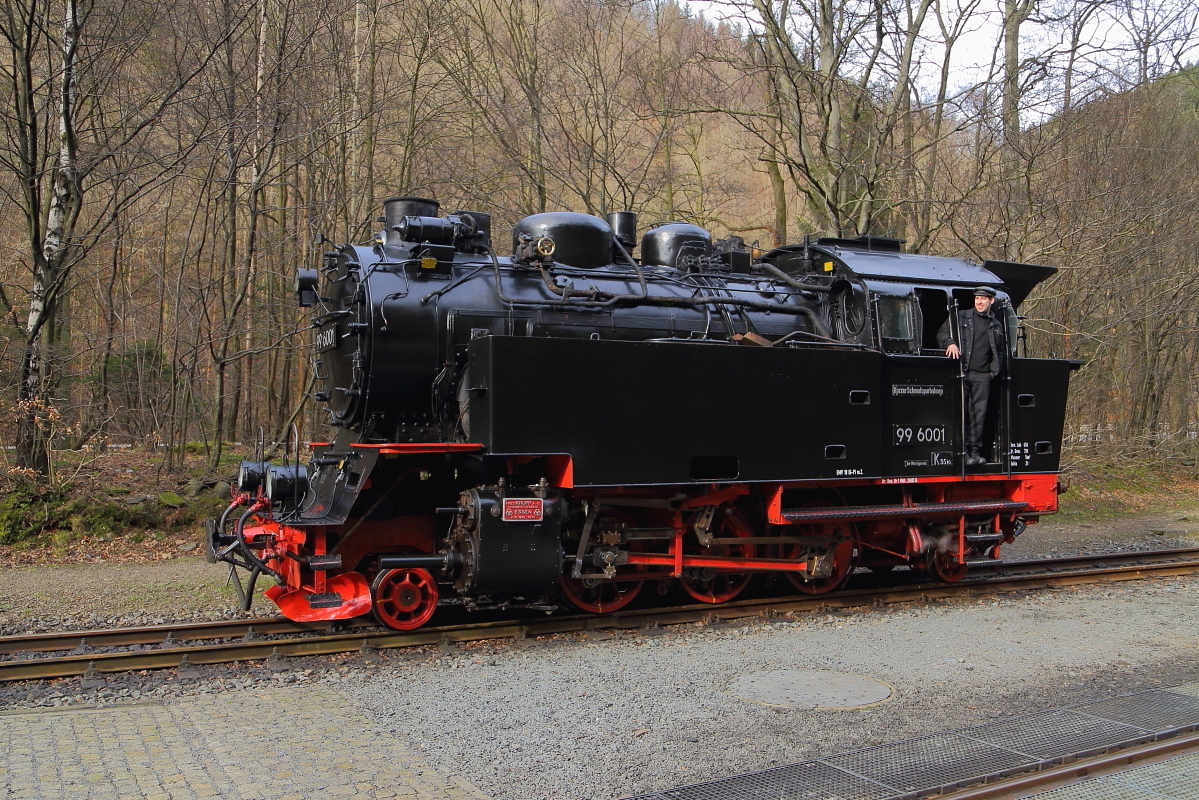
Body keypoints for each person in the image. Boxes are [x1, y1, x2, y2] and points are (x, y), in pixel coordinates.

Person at [937, 287, 1006, 466]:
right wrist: (950, 343)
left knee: (979, 415)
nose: (979, 302)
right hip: (963, 373)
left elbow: (999, 351)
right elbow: (942, 333)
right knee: (963, 412)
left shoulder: (996, 325)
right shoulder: (961, 316)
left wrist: (993, 372)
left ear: (991, 301)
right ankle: (963, 452)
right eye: (977, 299)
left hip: (983, 376)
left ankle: (975, 452)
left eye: (983, 299)